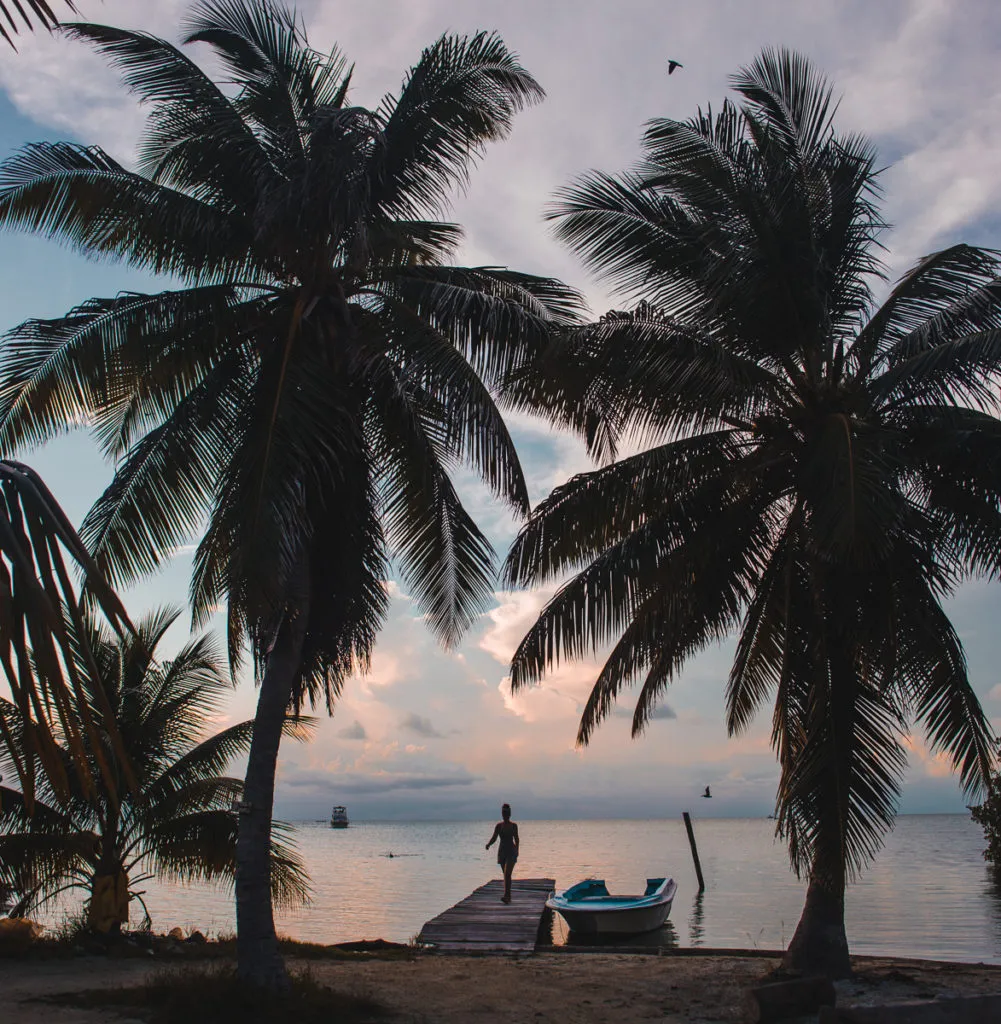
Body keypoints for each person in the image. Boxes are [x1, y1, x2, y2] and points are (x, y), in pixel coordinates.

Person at [485, 803, 519, 903]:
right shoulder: (499, 826)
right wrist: (488, 844)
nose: (505, 815)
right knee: (505, 874)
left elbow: (517, 839)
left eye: (507, 813)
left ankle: (507, 896)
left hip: (511, 851)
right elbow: (494, 837)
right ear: (502, 814)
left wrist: (517, 850)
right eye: (504, 813)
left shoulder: (514, 826)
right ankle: (508, 895)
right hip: (502, 852)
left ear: (510, 814)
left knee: (507, 874)